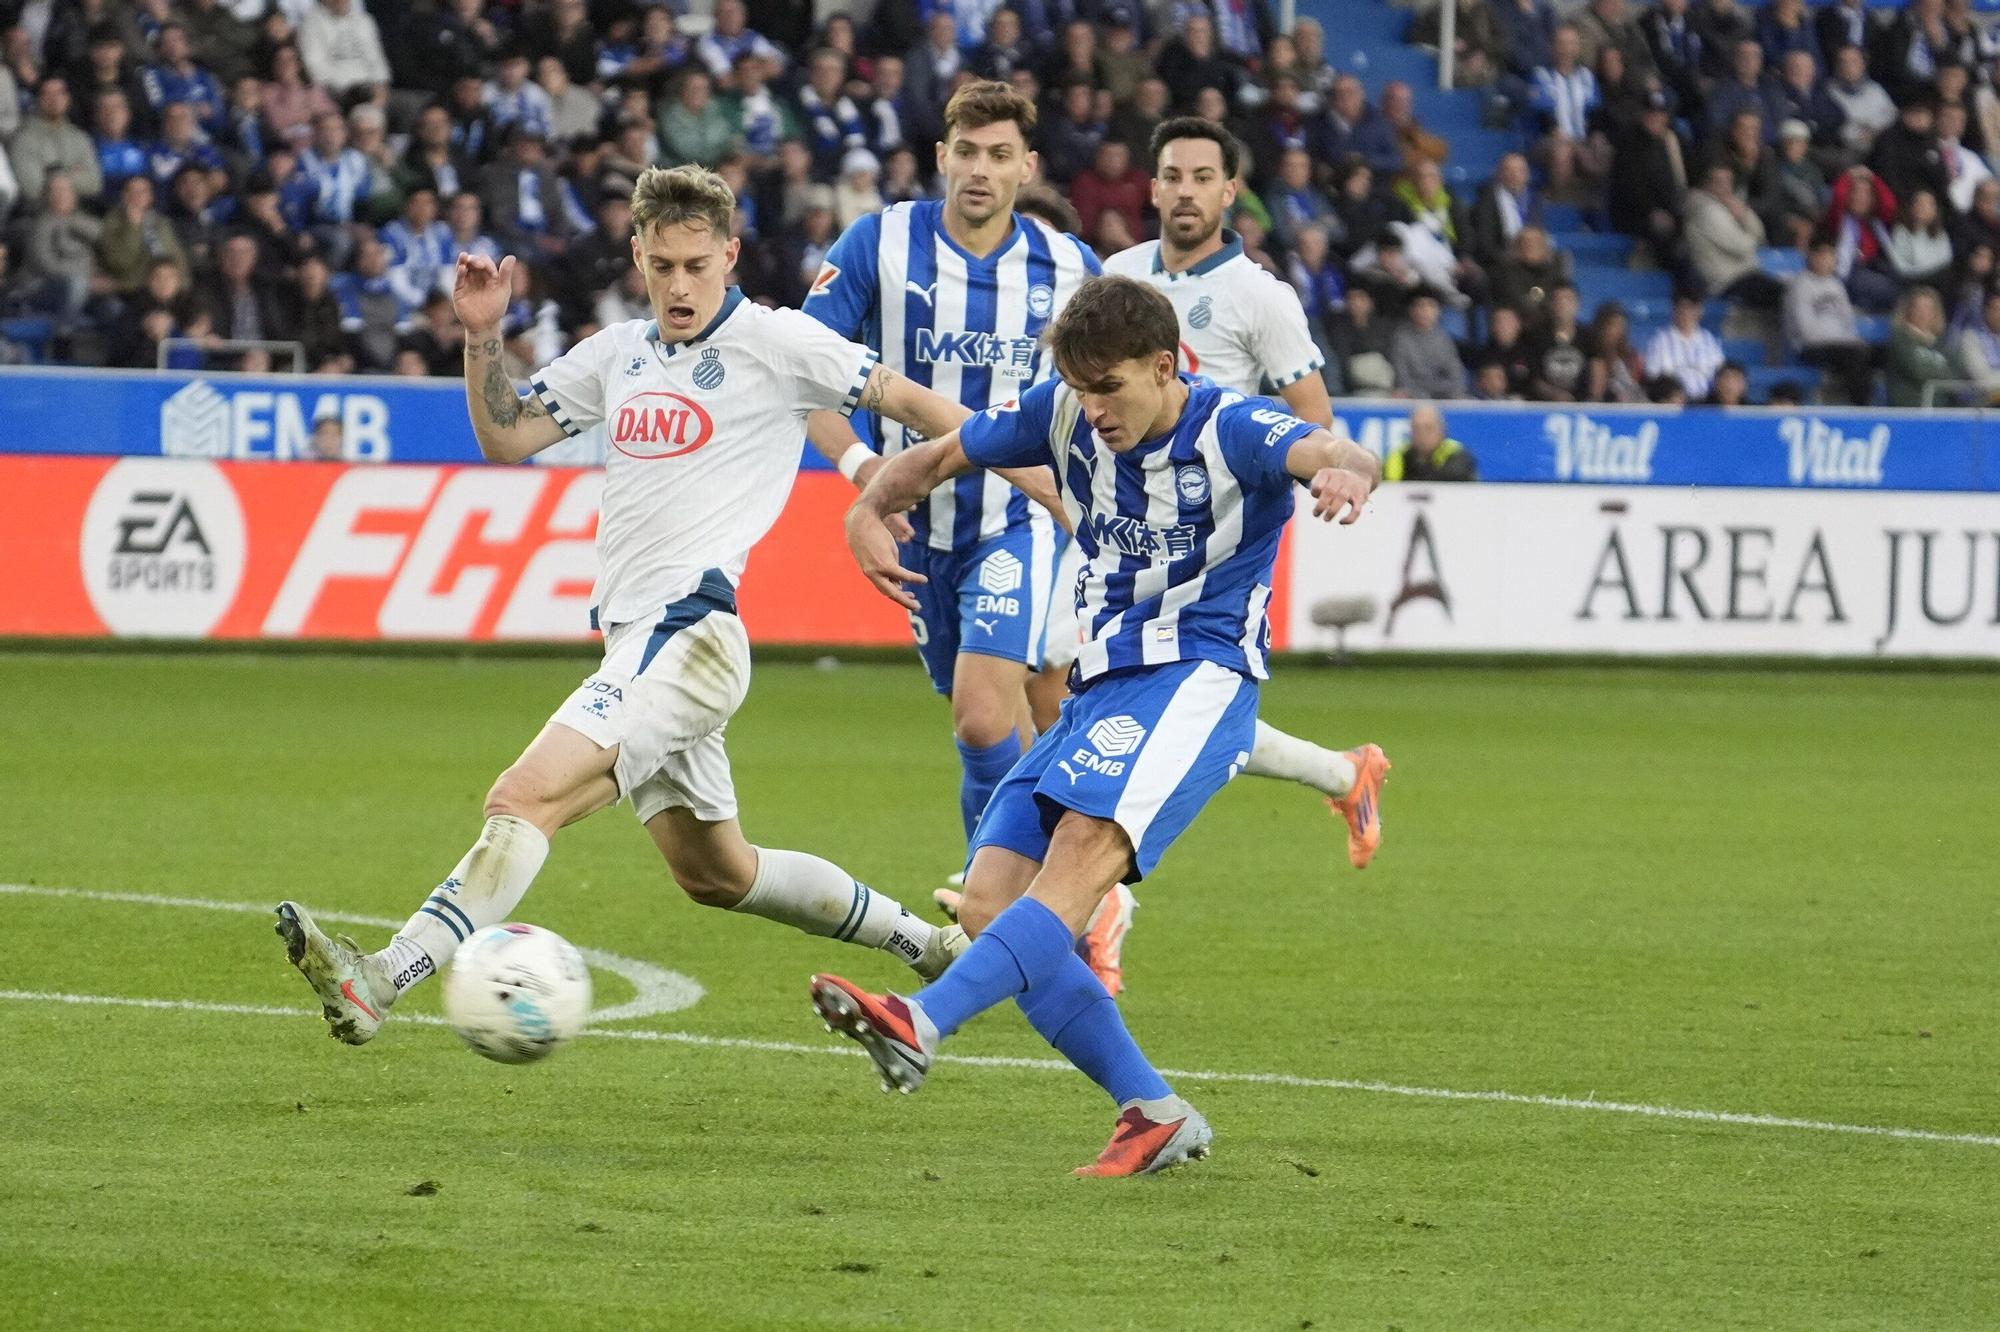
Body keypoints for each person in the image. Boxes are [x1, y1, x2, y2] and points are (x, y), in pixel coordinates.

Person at [274, 164, 977, 1047]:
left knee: (524, 797)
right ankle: (930, 945)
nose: (679, 285)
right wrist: (482, 336)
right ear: (637, 255)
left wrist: (1037, 466)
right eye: (662, 266)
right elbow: (507, 438)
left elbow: (922, 407)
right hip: (637, 645)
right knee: (719, 874)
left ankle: (381, 976)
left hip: (693, 633)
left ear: (728, 255)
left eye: (697, 265)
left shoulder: (779, 341)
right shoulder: (617, 355)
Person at [812, 274, 1383, 1177]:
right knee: (995, 901)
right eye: (1080, 387)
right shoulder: (1065, 411)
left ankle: (916, 1023)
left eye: (1109, 386)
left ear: (1164, 366)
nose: (1094, 408)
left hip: (1196, 681)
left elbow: (1332, 448)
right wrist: (866, 508)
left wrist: (1353, 473)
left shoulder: (1232, 427)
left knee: (1077, 863)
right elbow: (938, 456)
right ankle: (1151, 1109)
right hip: (1098, 691)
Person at [797, 81, 1101, 954]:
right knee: (987, 729)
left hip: (1017, 517)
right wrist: (868, 475)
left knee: (982, 714)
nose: (980, 169)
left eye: (1000, 155)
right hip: (915, 532)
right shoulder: (879, 243)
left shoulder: (1070, 268)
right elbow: (808, 379)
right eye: (966, 151)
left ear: (1027, 168)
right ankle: (1059, 890)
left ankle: (1001, 910)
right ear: (941, 156)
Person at [1786, 233, 1874, 404]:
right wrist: (1840, 341)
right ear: (1812, 256)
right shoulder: (1800, 285)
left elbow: (1848, 321)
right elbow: (1805, 330)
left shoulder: (1836, 285)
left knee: (1877, 353)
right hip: (1810, 346)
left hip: (1840, 344)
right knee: (1854, 355)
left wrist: (1849, 340)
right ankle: (1862, 408)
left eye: (1830, 255)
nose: (1827, 260)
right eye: (1822, 255)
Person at [1644, 289, 1725, 397]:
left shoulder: (1709, 341)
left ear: (1700, 310)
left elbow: (1720, 373)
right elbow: (1652, 375)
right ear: (1674, 310)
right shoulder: (1659, 341)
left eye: (1691, 308)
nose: (1686, 313)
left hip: (1706, 402)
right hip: (1672, 402)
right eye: (1682, 307)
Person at [1386, 404, 1479, 480]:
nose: (1422, 434)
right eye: (1416, 428)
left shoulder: (1457, 453)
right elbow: (1391, 486)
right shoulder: (1399, 455)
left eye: (1428, 428)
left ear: (1442, 430)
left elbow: (1454, 477)